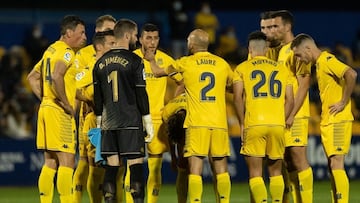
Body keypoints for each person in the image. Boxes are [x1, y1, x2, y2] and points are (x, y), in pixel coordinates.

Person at [151, 28, 233, 203]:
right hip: (219, 122)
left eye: (188, 41)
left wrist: (150, 58)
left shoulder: (186, 63)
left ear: (192, 44)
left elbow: (157, 72)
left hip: (197, 123)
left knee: (195, 168)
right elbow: (234, 87)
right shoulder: (222, 63)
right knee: (221, 169)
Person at [92, 18, 154, 203]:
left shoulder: (100, 63)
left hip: (108, 123)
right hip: (130, 121)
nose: (136, 39)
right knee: (135, 166)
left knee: (111, 167)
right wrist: (147, 120)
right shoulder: (135, 60)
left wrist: (98, 122)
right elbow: (141, 93)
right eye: (135, 35)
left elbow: (98, 98)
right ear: (127, 35)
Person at [26, 15, 87, 203]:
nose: (85, 36)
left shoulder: (50, 50)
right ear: (69, 33)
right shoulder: (66, 52)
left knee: (50, 161)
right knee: (67, 161)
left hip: (45, 108)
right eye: (82, 32)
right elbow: (57, 75)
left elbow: (32, 78)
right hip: (58, 112)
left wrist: (46, 98)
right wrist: (65, 103)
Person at [291, 33, 357, 203]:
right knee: (332, 165)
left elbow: (351, 74)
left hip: (338, 119)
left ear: (308, 48)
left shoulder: (327, 60)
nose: (298, 59)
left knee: (337, 163)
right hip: (330, 120)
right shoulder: (319, 64)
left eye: (298, 54)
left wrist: (343, 101)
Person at [123, 23, 183, 203]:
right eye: (148, 38)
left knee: (155, 168)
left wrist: (173, 104)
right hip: (135, 119)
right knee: (132, 167)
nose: (152, 42)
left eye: (155, 38)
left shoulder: (166, 60)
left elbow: (182, 82)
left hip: (157, 120)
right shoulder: (130, 58)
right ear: (140, 39)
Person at [233, 30, 294, 203]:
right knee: (275, 172)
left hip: (254, 124)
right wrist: (282, 120)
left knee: (255, 173)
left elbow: (237, 98)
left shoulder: (242, 68)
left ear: (249, 49)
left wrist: (242, 122)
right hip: (277, 124)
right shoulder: (282, 69)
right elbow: (290, 100)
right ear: (266, 48)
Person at [72, 14, 126, 203]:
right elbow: (75, 86)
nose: (113, 36)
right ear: (98, 34)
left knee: (119, 168)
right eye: (108, 33)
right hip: (92, 118)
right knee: (89, 164)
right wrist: (90, 98)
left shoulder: (119, 56)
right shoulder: (86, 56)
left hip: (117, 119)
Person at [271, 10, 314, 203]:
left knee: (298, 158)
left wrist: (292, 114)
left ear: (287, 27)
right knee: (288, 162)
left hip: (296, 114)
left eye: (276, 26)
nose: (273, 30)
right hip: (284, 112)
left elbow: (304, 83)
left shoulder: (297, 48)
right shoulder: (282, 50)